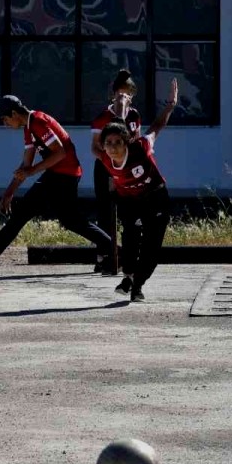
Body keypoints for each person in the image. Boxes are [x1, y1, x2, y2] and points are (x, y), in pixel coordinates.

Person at [0, 95, 115, 276]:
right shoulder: (28, 128)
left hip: (64, 174)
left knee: (22, 214)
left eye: (5, 119)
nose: (5, 124)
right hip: (61, 174)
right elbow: (26, 165)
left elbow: (60, 153)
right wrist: (10, 191)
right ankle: (113, 249)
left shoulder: (38, 123)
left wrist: (32, 171)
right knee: (71, 221)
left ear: (14, 113)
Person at [95, 78, 178, 302]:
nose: (113, 148)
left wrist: (169, 106)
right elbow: (115, 125)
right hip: (130, 200)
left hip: (155, 197)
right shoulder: (104, 159)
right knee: (130, 239)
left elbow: (156, 127)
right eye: (108, 143)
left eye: (117, 143)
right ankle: (129, 276)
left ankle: (137, 285)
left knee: (151, 246)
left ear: (126, 142)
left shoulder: (140, 148)